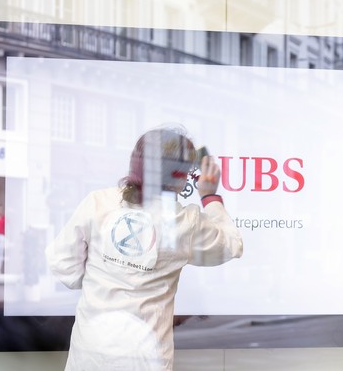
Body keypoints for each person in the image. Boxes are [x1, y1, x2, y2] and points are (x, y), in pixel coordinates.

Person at [46, 127, 243, 371]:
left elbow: (61, 263)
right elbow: (231, 245)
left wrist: (103, 280)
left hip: (91, 349)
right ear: (179, 174)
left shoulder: (98, 202)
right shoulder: (184, 222)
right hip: (145, 355)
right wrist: (209, 197)